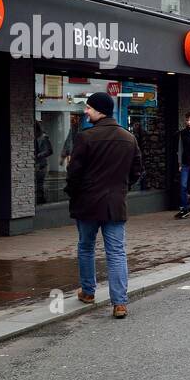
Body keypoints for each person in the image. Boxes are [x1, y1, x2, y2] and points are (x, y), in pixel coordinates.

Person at [64, 91, 143, 320]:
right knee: (116, 252)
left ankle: (88, 292)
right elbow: (136, 171)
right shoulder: (128, 138)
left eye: (88, 108)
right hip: (115, 205)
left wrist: (73, 194)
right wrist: (121, 189)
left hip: (87, 204)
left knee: (86, 247)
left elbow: (73, 174)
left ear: (99, 110)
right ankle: (119, 303)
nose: (86, 111)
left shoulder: (85, 138)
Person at [176, 112, 190, 218]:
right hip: (186, 163)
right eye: (187, 120)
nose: (189, 122)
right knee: (183, 186)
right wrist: (180, 163)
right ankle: (185, 208)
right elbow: (180, 149)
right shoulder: (183, 133)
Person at [34, 121, 54, 205]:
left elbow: (49, 151)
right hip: (37, 163)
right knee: (37, 184)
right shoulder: (35, 137)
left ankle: (40, 201)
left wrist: (38, 155)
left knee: (39, 184)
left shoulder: (44, 137)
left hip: (41, 164)